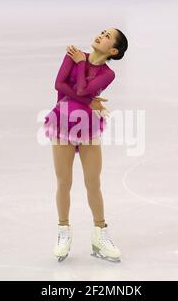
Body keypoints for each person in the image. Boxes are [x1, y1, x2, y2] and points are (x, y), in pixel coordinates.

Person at [44, 28, 128, 262]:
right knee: (64, 182)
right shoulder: (73, 54)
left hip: (88, 128)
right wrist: (91, 102)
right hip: (62, 123)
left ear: (113, 50)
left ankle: (100, 233)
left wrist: (82, 67)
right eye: (102, 32)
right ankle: (63, 231)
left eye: (107, 36)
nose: (101, 35)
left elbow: (81, 89)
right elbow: (59, 85)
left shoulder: (108, 74)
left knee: (93, 183)